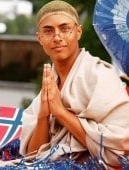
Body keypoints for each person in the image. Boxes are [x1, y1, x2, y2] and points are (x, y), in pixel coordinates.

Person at [19, 1, 129, 169]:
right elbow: (32, 158)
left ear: (78, 32)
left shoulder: (101, 76)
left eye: (65, 29)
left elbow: (120, 150)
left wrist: (61, 113)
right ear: (39, 38)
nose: (57, 36)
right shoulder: (49, 88)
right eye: (48, 31)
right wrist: (43, 115)